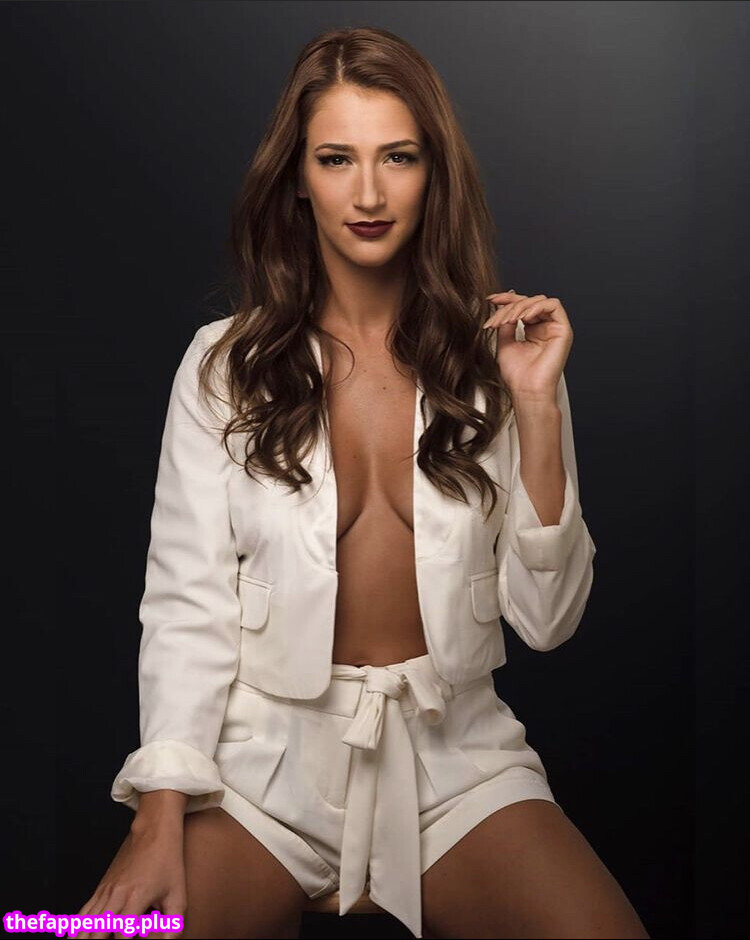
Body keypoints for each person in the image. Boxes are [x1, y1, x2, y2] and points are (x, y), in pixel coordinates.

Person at [77, 25, 649, 940]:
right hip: (265, 766)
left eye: (399, 157)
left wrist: (537, 406)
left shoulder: (502, 359)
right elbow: (186, 606)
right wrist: (158, 815)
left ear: (434, 173)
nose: (371, 193)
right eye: (337, 158)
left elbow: (546, 621)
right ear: (298, 178)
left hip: (455, 756)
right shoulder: (223, 367)